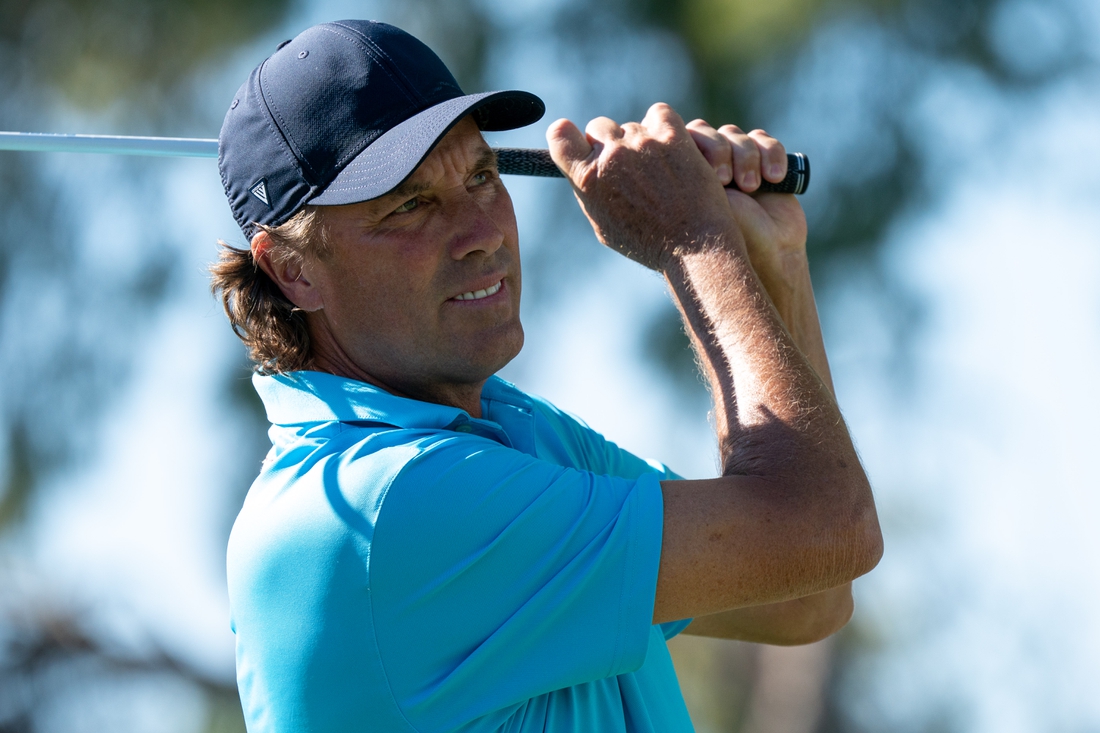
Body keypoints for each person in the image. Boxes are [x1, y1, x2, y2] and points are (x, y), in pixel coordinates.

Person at [211, 18, 882, 733]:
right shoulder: (391, 505)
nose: (482, 233)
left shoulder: (515, 436)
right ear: (293, 269)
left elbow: (805, 592)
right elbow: (821, 529)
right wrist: (693, 238)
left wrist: (772, 257)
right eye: (409, 205)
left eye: (481, 176)